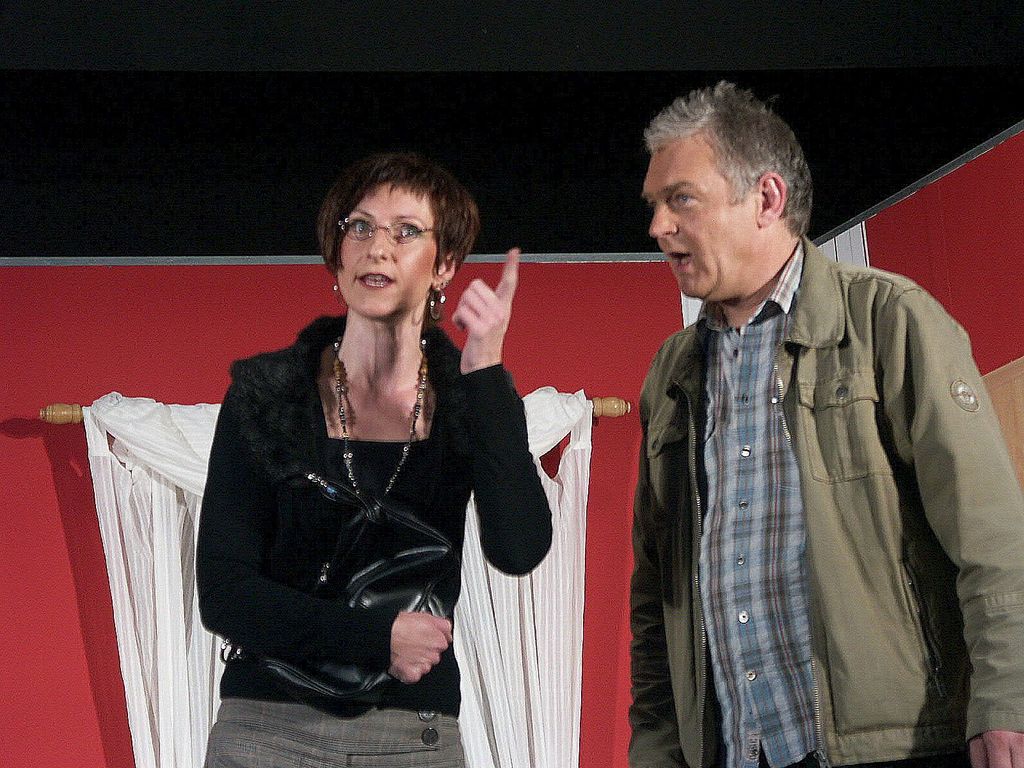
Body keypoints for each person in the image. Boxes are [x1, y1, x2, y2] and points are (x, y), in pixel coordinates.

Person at [629, 81, 1024, 768]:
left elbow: (990, 538)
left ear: (767, 199)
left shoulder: (888, 320)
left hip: (898, 748)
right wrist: (659, 753)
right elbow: (655, 600)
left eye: (681, 199)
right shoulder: (670, 373)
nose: (658, 226)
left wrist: (1008, 698)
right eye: (654, 205)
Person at [197, 151, 552, 767]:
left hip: (409, 732)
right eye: (359, 227)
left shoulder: (466, 399)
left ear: (444, 265)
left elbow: (519, 549)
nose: (376, 247)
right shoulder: (268, 393)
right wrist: (375, 637)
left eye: (405, 231)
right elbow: (224, 592)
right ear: (337, 256)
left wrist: (486, 373)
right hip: (266, 726)